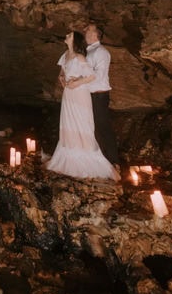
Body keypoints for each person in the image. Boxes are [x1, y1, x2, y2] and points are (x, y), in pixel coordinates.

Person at [46, 31, 118, 180]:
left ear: (75, 40)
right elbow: (62, 72)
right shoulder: (65, 55)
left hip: (79, 94)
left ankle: (90, 158)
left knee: (81, 124)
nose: (66, 36)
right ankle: (68, 157)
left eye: (69, 35)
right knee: (68, 123)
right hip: (69, 94)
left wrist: (76, 83)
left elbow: (92, 76)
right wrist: (62, 79)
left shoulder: (80, 57)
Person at [84, 23, 119, 167]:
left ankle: (113, 161)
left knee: (102, 127)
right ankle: (101, 159)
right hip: (91, 95)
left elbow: (98, 75)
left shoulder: (101, 52)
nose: (85, 31)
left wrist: (79, 82)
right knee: (94, 128)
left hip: (99, 95)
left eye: (88, 30)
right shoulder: (90, 51)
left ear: (95, 34)